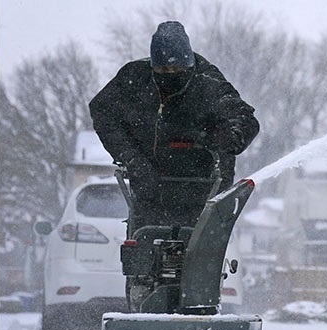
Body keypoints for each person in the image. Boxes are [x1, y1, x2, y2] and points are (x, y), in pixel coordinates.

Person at [89, 21, 259, 235]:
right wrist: (132, 158)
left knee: (198, 246)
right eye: (162, 70)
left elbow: (245, 119)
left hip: (203, 185)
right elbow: (102, 111)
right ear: (152, 66)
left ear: (189, 64)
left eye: (177, 69)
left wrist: (227, 137)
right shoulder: (135, 77)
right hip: (149, 182)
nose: (169, 74)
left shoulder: (208, 82)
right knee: (144, 240)